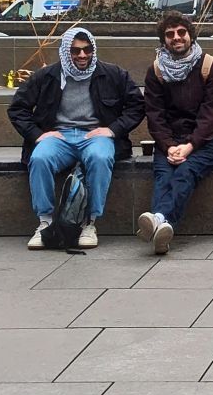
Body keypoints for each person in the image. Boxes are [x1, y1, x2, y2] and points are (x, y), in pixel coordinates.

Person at [8, 25, 144, 249]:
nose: (82, 55)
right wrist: (38, 135)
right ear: (65, 51)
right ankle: (45, 223)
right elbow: (17, 108)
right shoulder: (47, 76)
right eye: (75, 50)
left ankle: (90, 222)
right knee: (40, 158)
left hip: (95, 135)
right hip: (58, 137)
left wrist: (112, 130)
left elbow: (137, 106)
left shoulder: (113, 74)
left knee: (100, 158)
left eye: (87, 49)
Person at [139, 12, 213, 253]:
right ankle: (162, 230)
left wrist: (189, 146)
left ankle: (158, 219)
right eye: (169, 35)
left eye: (181, 33)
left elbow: (211, 114)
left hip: (204, 142)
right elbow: (155, 114)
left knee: (184, 172)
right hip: (168, 141)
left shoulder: (210, 66)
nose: (176, 38)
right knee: (163, 177)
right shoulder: (155, 71)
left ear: (190, 35)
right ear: (163, 40)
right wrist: (168, 146)